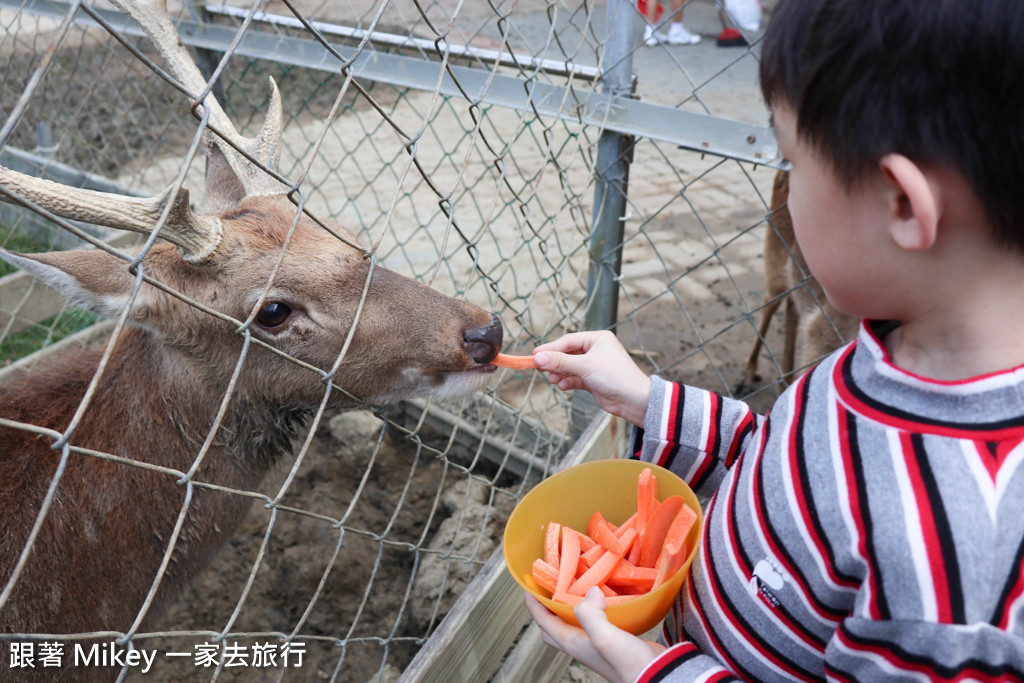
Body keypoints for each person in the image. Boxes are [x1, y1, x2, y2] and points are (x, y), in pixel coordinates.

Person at [524, 0, 1024, 680]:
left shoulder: (957, 559)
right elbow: (786, 463)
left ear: (901, 202)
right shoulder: (891, 354)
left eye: (790, 162)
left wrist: (659, 672)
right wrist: (650, 402)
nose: (785, 193)